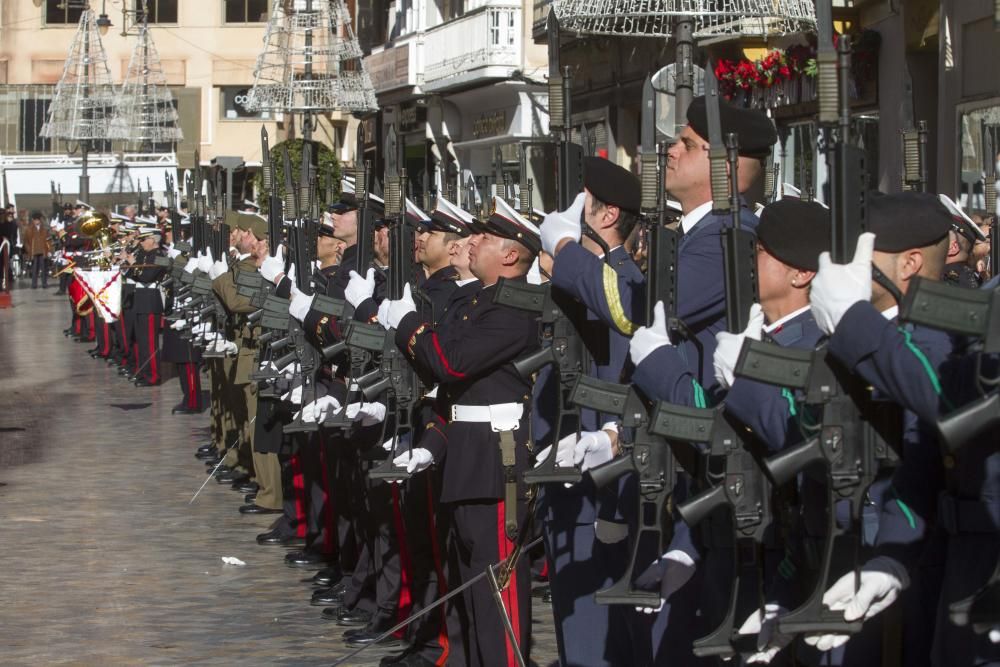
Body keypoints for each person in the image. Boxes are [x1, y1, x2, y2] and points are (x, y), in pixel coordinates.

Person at [380, 196, 541, 667]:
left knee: (498, 602)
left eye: (486, 237)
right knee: (469, 604)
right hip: (464, 459)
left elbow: (449, 362)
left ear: (510, 255)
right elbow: (446, 388)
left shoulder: (513, 309)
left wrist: (407, 322)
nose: (473, 242)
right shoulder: (478, 301)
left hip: (497, 465)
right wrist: (431, 446)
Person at [23, 211, 52, 289]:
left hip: (43, 251)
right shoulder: (29, 229)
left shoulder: (44, 229)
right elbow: (26, 241)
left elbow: (48, 240)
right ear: (33, 220)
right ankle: (34, 284)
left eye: (38, 220)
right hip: (34, 251)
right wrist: (29, 250)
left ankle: (44, 283)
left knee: (44, 268)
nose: (37, 221)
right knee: (34, 269)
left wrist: (49, 250)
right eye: (35, 220)